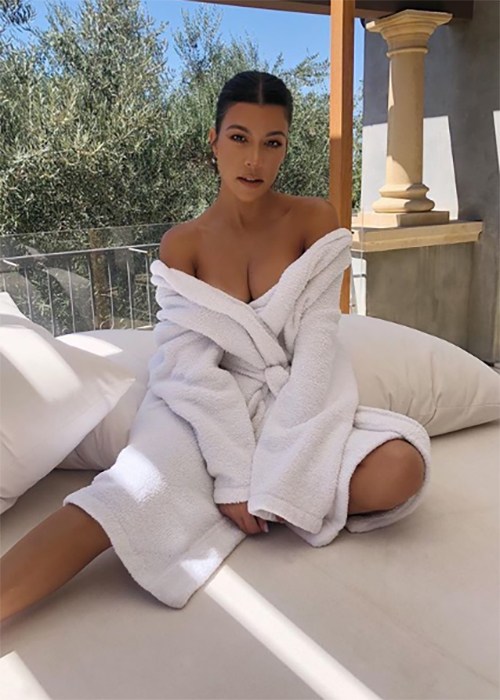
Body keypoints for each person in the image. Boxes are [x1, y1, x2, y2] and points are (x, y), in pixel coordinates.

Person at [0, 71, 425, 624]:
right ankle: (231, 497)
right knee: (124, 496)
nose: (254, 159)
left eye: (272, 142)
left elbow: (318, 347)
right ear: (214, 140)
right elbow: (188, 367)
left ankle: (265, 494)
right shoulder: (184, 243)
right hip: (200, 405)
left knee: (401, 467)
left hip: (291, 400)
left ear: (286, 148)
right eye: (239, 137)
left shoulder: (314, 220)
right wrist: (234, 475)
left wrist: (281, 463)